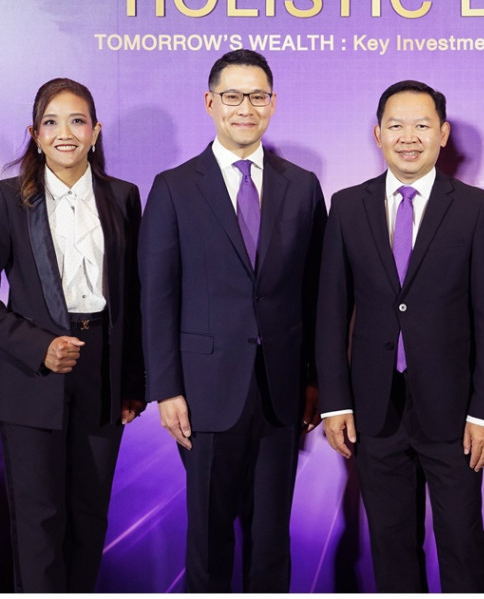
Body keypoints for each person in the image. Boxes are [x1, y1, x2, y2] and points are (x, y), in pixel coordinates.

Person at [139, 49, 326, 592]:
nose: (246, 108)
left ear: (273, 103)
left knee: (271, 540)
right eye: (233, 96)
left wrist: (315, 379)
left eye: (257, 96)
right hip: (204, 392)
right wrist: (166, 388)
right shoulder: (174, 187)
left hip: (281, 391)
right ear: (210, 102)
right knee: (209, 538)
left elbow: (316, 293)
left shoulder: (302, 185)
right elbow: (157, 295)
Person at [316, 81, 484, 592]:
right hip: (374, 410)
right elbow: (330, 313)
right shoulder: (347, 206)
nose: (409, 137)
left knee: (463, 543)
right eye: (396, 125)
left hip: (455, 414)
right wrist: (335, 402)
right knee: (391, 543)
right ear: (377, 134)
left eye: (422, 125)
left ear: (442, 134)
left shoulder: (474, 208)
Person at [0, 78, 145, 592]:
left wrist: (134, 382)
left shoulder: (123, 196)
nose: (66, 132)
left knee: (89, 519)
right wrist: (40, 346)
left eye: (77, 121)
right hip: (32, 377)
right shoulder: (7, 198)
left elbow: (135, 297)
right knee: (39, 523)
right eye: (52, 122)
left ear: (95, 131)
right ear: (35, 135)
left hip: (102, 375)